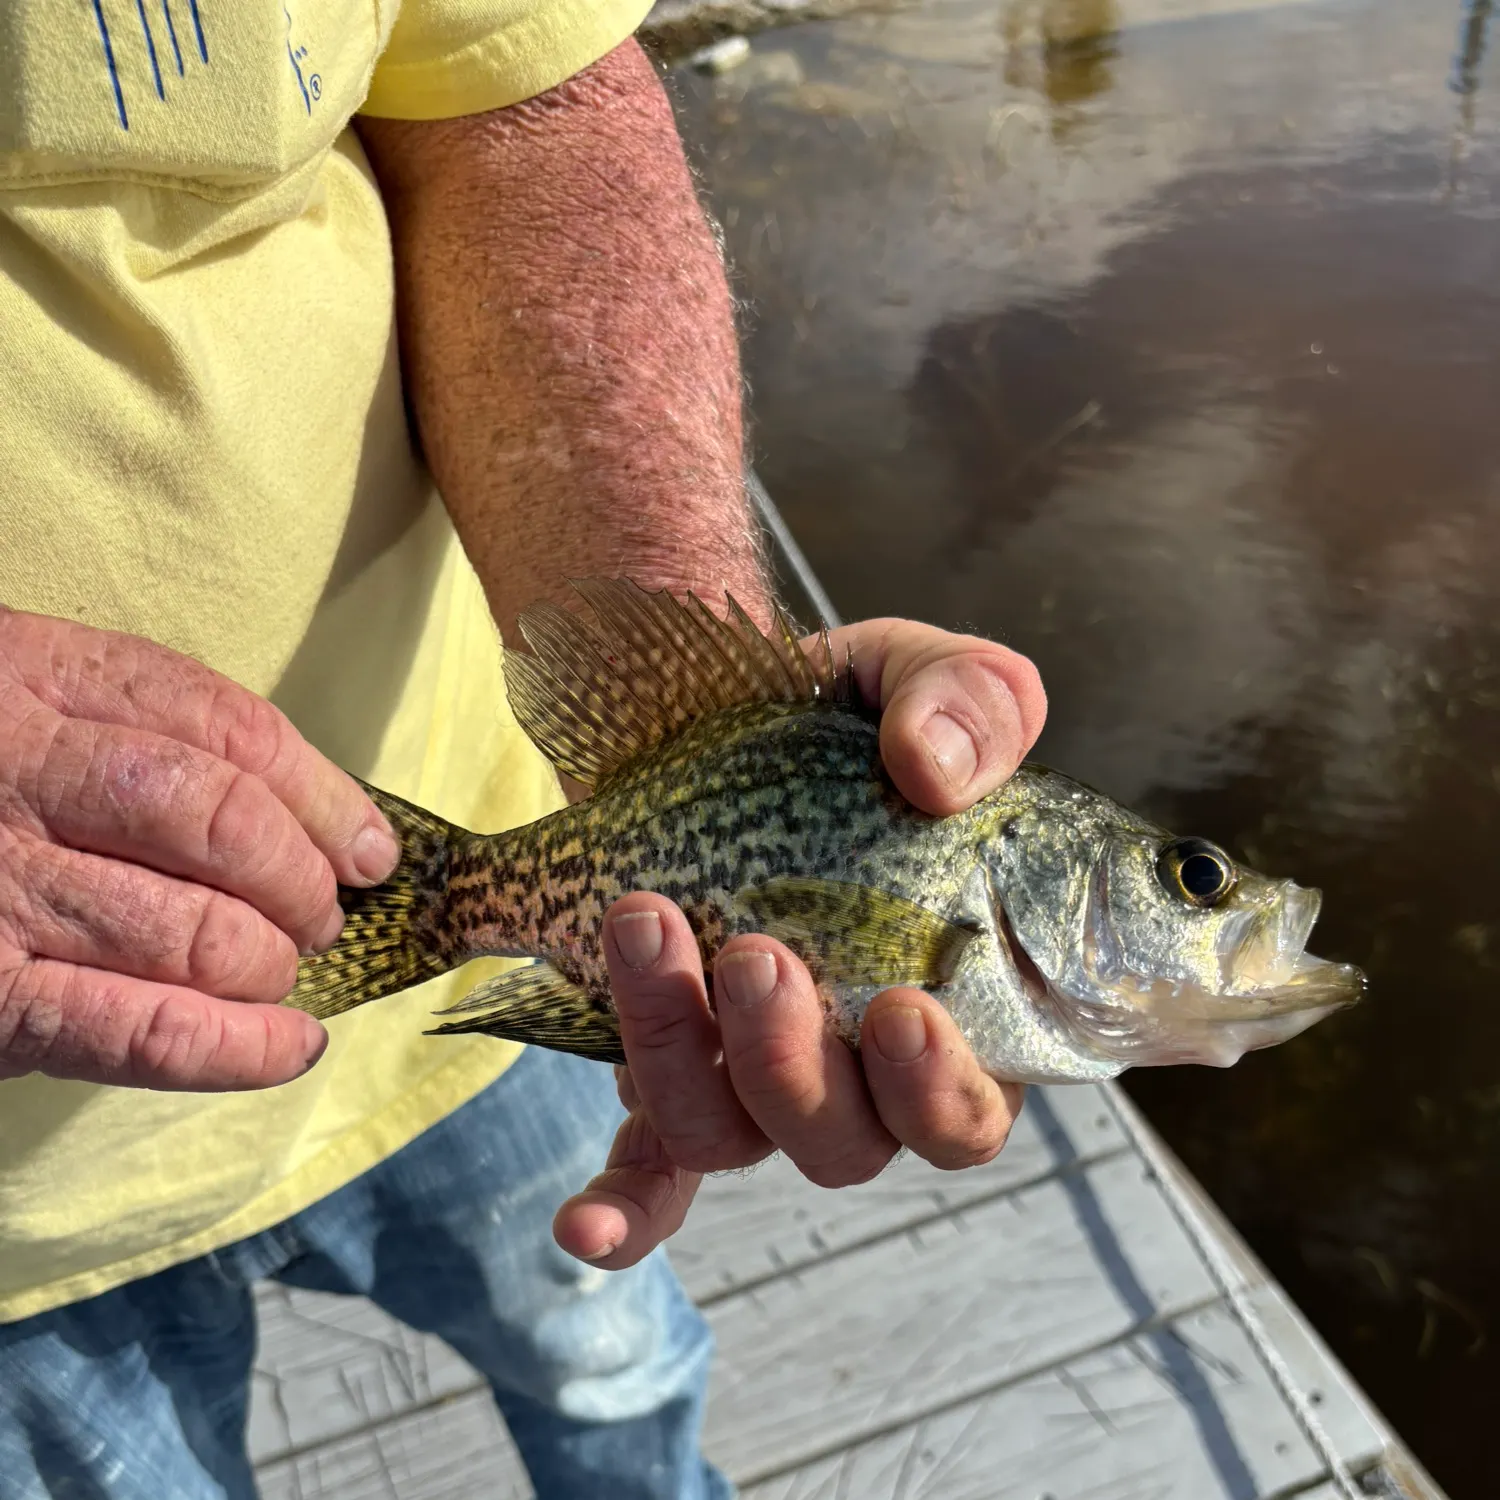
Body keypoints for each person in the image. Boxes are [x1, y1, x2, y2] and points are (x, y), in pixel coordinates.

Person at [0, 5, 1046, 1497]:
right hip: (16, 1222)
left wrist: (703, 717)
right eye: (1187, 882)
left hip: (546, 922)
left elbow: (517, 109)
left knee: (621, 1370)